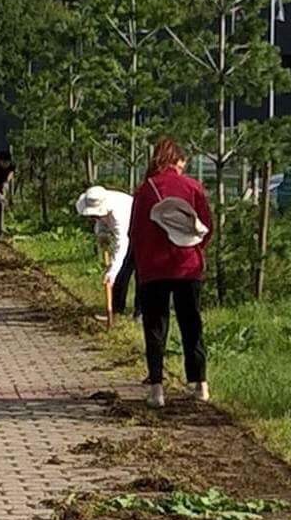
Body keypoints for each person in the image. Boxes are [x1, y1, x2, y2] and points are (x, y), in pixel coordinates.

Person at [129, 138, 213, 407]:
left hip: (153, 268)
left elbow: (135, 232)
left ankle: (157, 389)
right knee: (191, 323)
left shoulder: (145, 190)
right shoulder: (193, 186)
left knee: (155, 326)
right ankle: (200, 384)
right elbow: (206, 226)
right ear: (179, 161)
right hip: (187, 266)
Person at [75, 184, 136, 317]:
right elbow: (101, 220)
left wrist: (112, 271)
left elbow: (122, 243)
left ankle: (140, 313)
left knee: (139, 273)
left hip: (141, 232)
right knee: (121, 273)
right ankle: (116, 310)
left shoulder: (119, 213)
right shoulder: (100, 205)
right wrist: (101, 233)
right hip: (125, 236)